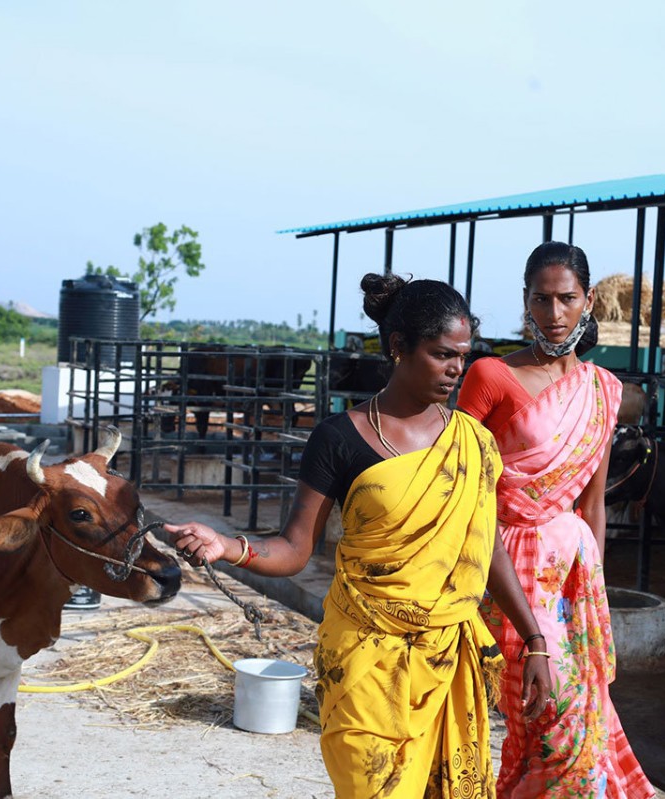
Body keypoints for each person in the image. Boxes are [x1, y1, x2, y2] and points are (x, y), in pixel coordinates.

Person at [164, 274, 550, 798]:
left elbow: (487, 547)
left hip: (447, 661)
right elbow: (295, 549)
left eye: (463, 355)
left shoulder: (474, 443)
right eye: (442, 355)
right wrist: (229, 546)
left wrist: (534, 642)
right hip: (366, 660)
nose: (457, 369)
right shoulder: (338, 439)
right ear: (398, 347)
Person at [457, 242, 655, 799]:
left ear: (588, 301)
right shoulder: (490, 377)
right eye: (541, 300)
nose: (554, 313)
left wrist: (594, 593)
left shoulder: (603, 389)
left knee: (575, 723)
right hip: (506, 565)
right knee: (551, 722)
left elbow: (593, 503)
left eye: (566, 299)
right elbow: (455, 482)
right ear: (525, 302)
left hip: (574, 575)